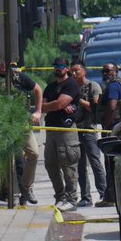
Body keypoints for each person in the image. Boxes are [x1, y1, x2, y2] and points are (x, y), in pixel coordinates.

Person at [0, 57, 42, 205]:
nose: (3, 65)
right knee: (3, 159)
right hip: (2, 125)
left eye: (5, 62)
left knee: (33, 153)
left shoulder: (19, 77)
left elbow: (37, 89)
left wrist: (38, 112)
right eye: (0, 61)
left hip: (21, 122)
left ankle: (26, 188)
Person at [40, 58, 82, 212]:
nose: (58, 68)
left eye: (61, 66)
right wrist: (51, 106)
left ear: (67, 68)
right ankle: (60, 196)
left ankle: (71, 199)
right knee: (50, 164)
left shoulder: (71, 85)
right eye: (56, 66)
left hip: (66, 129)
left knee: (68, 164)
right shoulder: (50, 87)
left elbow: (60, 103)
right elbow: (42, 107)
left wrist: (51, 105)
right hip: (51, 129)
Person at [70, 63, 107, 207]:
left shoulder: (93, 86)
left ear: (84, 72)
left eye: (77, 71)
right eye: (72, 71)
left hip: (89, 129)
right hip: (75, 129)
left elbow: (94, 106)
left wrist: (77, 99)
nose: (74, 73)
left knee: (95, 162)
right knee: (80, 165)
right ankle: (85, 197)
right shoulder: (71, 87)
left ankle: (103, 193)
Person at [96, 62, 121, 207]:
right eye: (103, 71)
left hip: (114, 130)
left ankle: (111, 198)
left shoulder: (113, 86)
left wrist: (107, 125)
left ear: (116, 72)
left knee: (111, 164)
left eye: (108, 71)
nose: (105, 74)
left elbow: (113, 106)